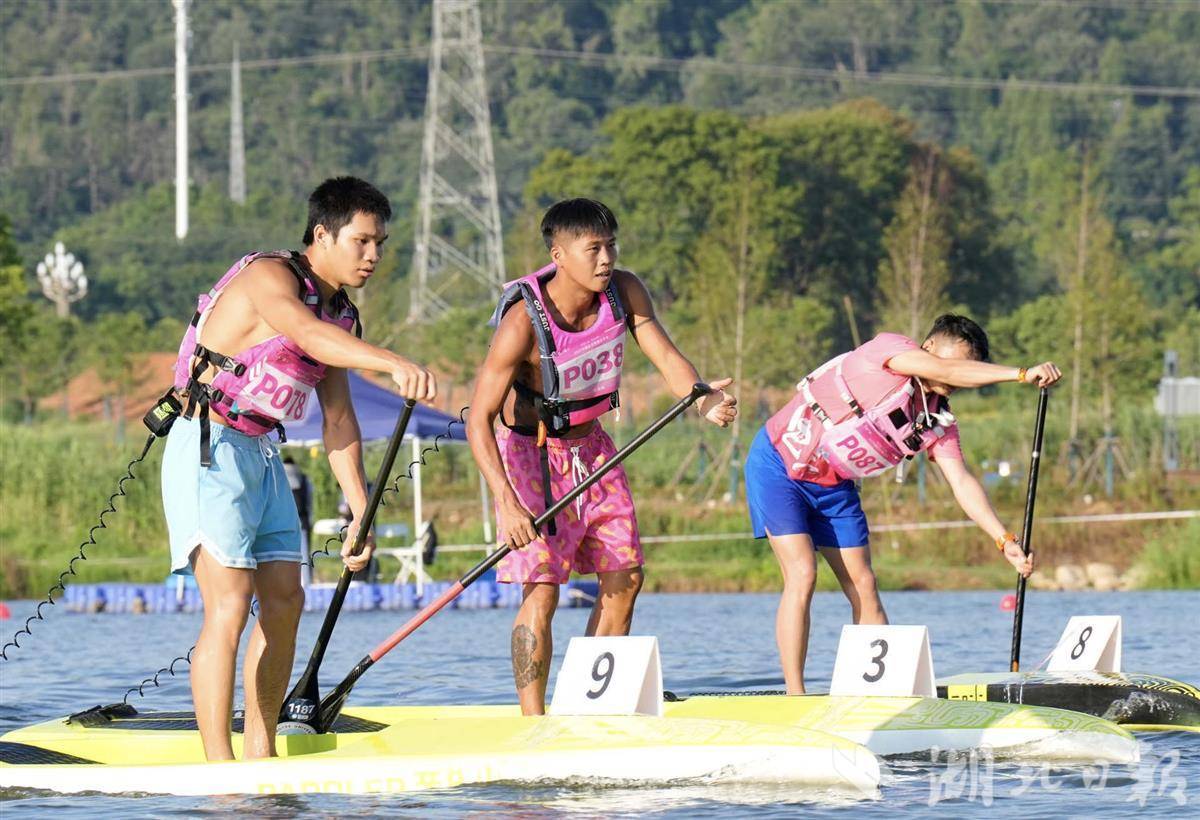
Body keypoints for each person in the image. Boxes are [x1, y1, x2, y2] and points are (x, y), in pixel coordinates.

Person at [160, 176, 436, 760]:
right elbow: (304, 332)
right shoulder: (268, 276)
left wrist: (360, 511)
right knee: (230, 606)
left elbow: (339, 421)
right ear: (322, 235)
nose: (374, 256)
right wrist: (390, 362)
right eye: (362, 241)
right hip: (208, 443)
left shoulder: (344, 318)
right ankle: (220, 766)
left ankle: (261, 751)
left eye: (380, 243)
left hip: (262, 453)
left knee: (286, 603)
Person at [468, 198, 738, 716]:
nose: (606, 258)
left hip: (594, 451)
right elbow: (479, 418)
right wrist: (505, 502)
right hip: (531, 456)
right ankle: (533, 722)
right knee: (543, 588)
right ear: (559, 254)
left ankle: (590, 703)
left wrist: (701, 398)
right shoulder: (523, 322)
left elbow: (662, 352)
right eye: (593, 248)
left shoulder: (625, 290)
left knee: (625, 576)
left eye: (611, 245)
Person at [745, 315, 1061, 694]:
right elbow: (943, 369)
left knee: (864, 583)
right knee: (803, 574)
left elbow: (961, 481)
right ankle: (794, 696)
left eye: (968, 369)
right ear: (927, 348)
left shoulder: (935, 419)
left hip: (833, 487)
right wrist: (1022, 374)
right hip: (778, 466)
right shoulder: (889, 350)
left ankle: (879, 691)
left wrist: (1003, 539)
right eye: (960, 365)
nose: (956, 379)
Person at [281, 456, 313, 587]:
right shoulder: (303, 478)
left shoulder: (278, 476)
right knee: (303, 555)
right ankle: (305, 581)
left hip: (283, 522)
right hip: (302, 520)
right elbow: (309, 502)